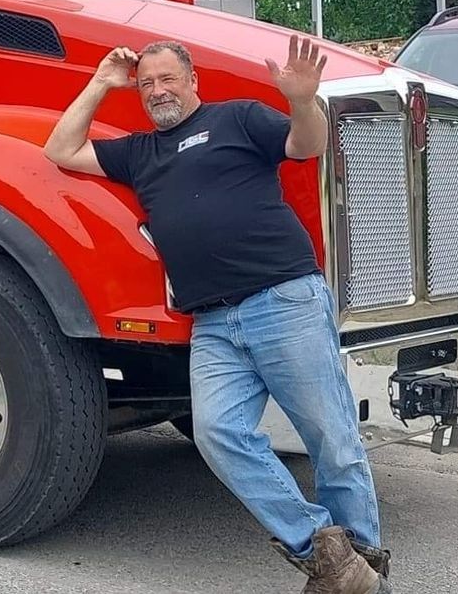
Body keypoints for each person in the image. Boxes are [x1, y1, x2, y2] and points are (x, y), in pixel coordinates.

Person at [44, 38, 392, 594]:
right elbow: (60, 149)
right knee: (217, 434)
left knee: (331, 437)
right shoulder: (138, 153)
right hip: (212, 323)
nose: (158, 90)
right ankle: (327, 551)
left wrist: (304, 101)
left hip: (283, 299)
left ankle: (358, 568)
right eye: (147, 83)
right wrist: (102, 82)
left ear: (193, 81)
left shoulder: (238, 118)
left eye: (168, 79)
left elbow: (307, 145)